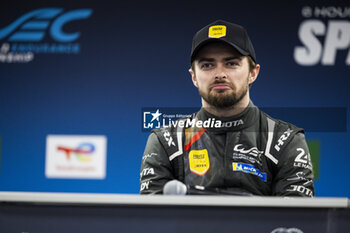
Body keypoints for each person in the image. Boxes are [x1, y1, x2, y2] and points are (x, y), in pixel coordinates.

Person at [140, 20, 314, 196]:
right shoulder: (167, 141)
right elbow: (153, 219)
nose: (219, 74)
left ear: (253, 73)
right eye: (207, 65)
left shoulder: (284, 141)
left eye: (231, 63)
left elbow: (296, 219)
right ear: (194, 77)